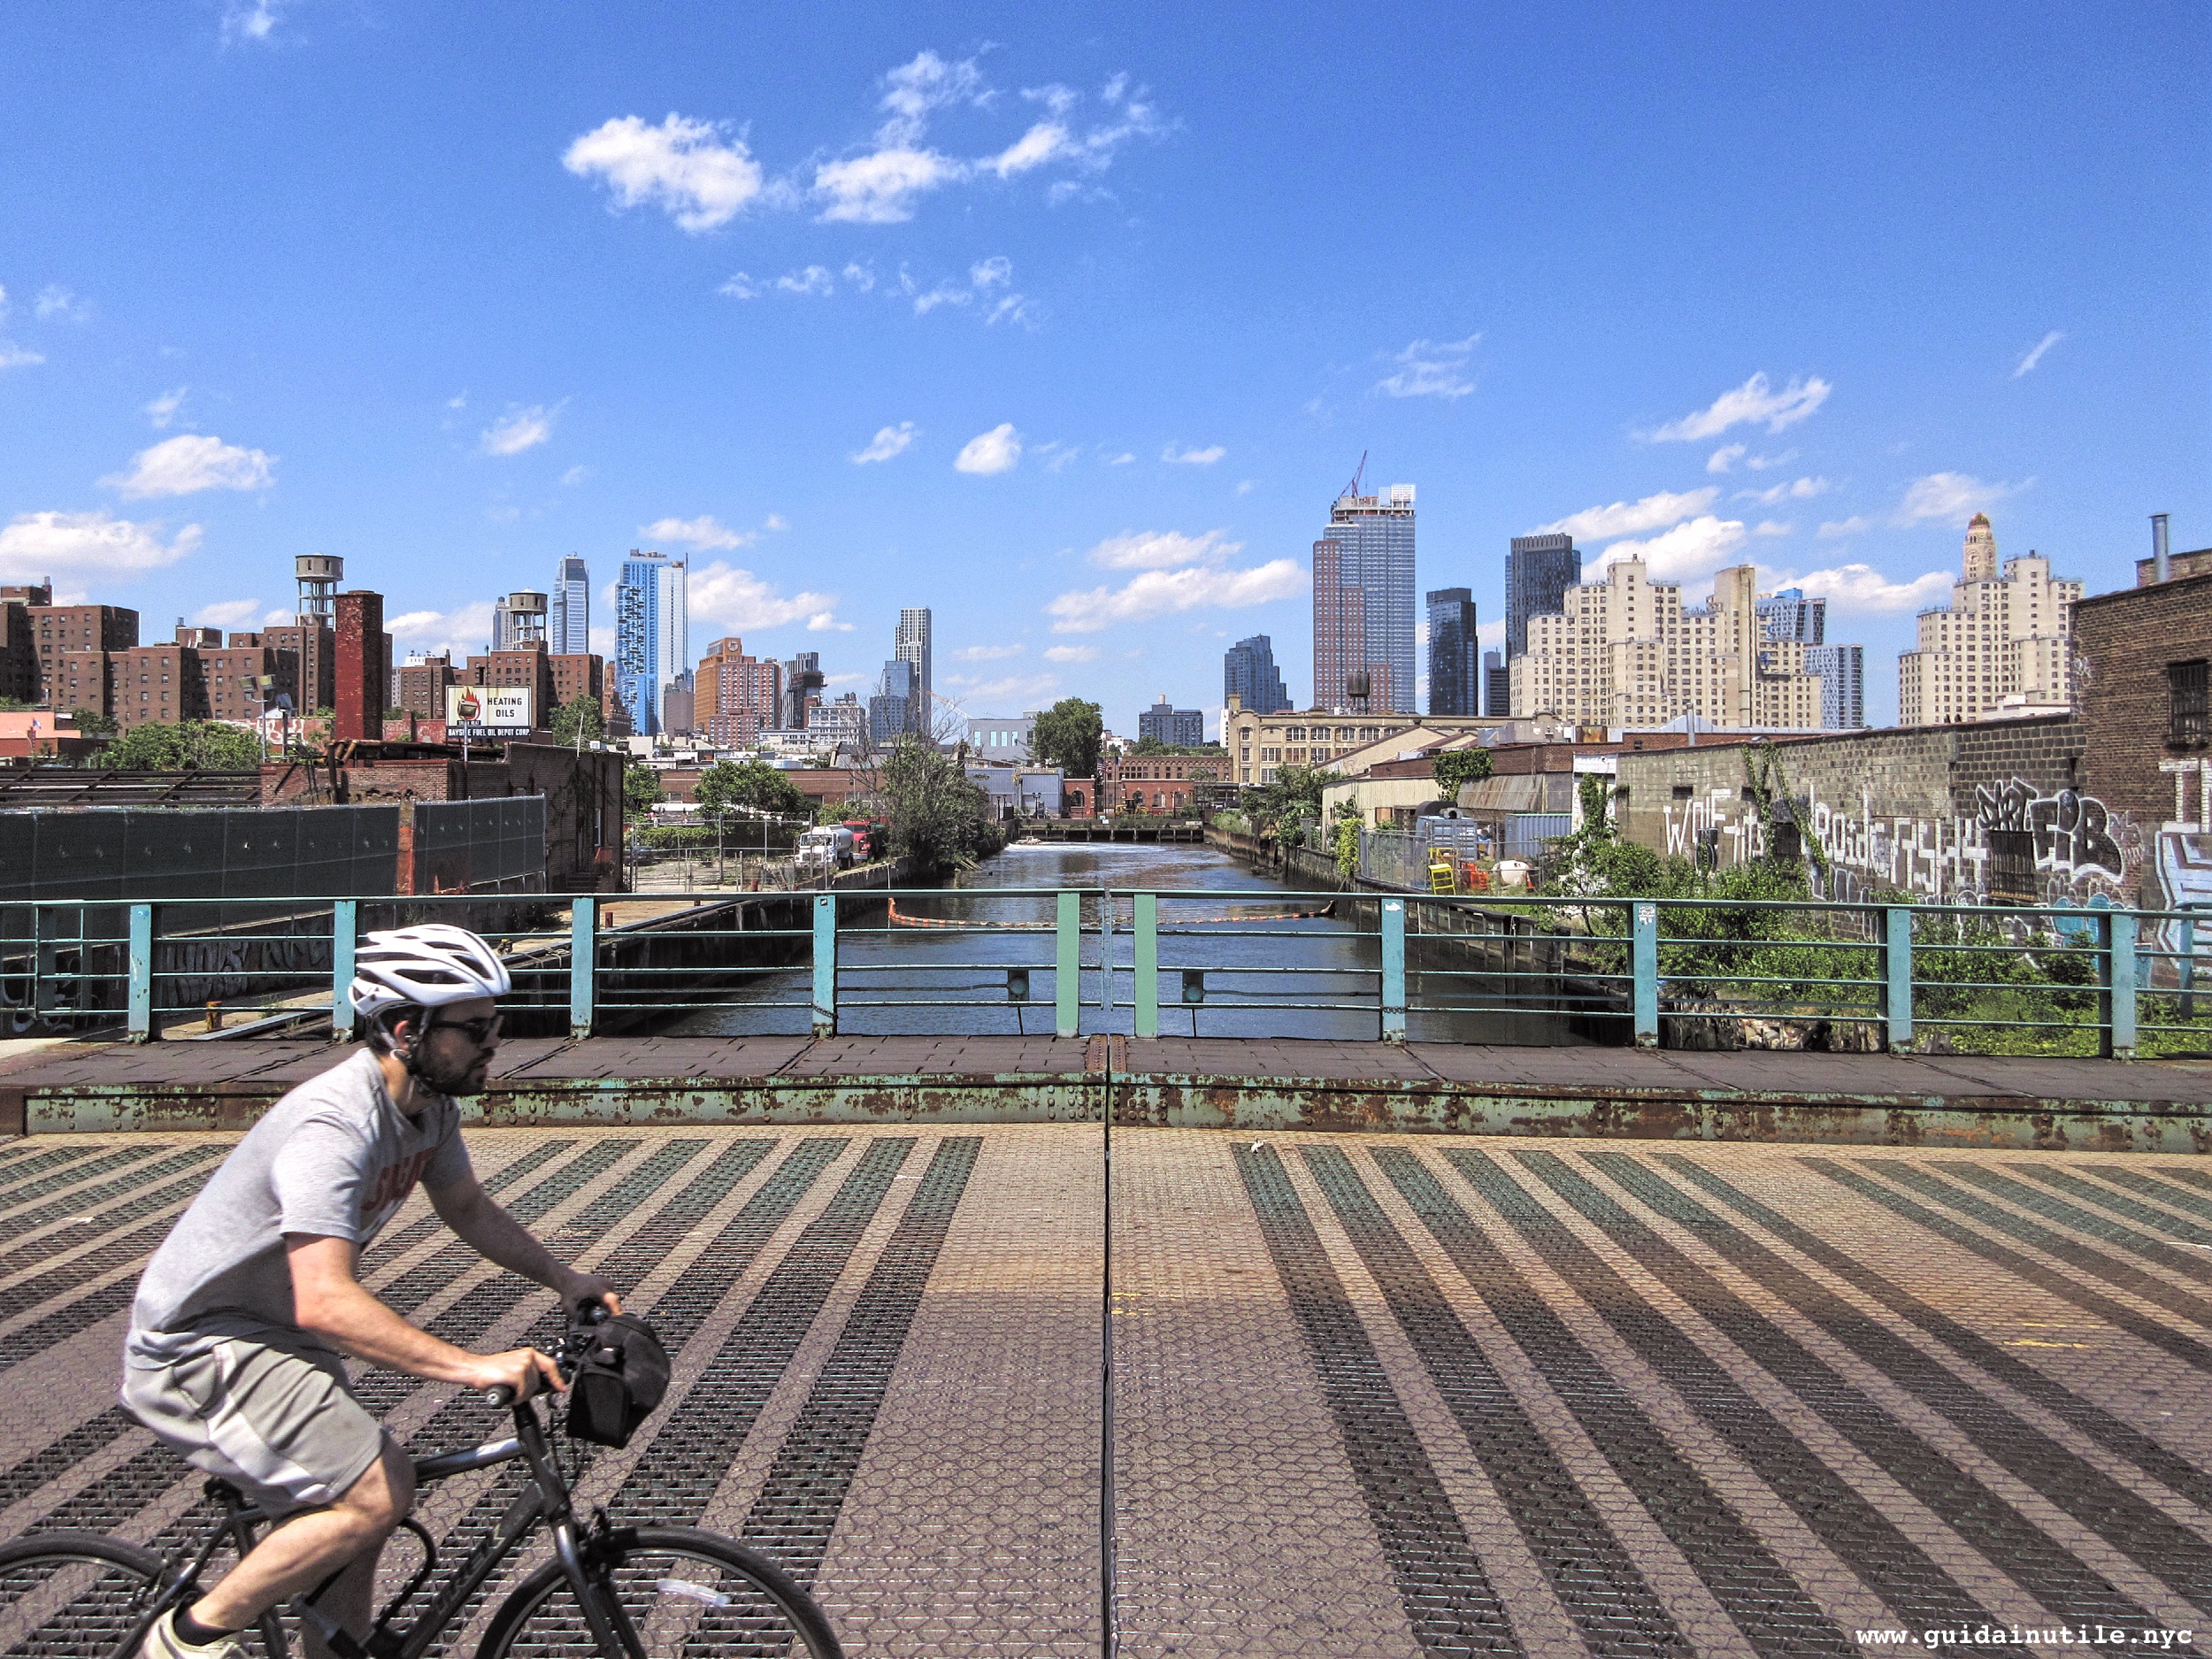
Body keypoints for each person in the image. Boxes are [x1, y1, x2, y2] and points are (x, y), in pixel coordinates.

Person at [119, 925, 620, 1659]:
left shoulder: (429, 1107)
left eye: (496, 1025)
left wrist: (564, 1277)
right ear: (405, 1029)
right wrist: (473, 1364)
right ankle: (182, 1641)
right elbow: (323, 1298)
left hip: (277, 1342)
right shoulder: (335, 1125)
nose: (493, 1042)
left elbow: (469, 1209)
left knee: (358, 1504)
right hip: (199, 1346)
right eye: (475, 1028)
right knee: (378, 1488)